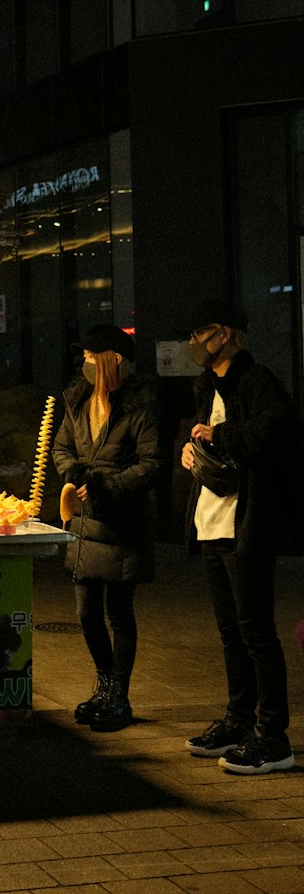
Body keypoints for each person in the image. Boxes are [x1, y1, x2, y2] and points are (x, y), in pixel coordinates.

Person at [180, 298, 299, 774]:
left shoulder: (257, 381)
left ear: (224, 333)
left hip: (247, 524)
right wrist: (189, 451)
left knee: (257, 633)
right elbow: (202, 436)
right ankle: (238, 720)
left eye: (199, 332)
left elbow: (277, 433)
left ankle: (274, 738)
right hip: (212, 522)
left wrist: (217, 436)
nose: (192, 341)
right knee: (231, 633)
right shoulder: (206, 384)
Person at [52, 325, 164, 731]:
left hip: (122, 525)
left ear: (112, 360)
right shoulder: (78, 400)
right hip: (83, 525)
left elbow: (151, 464)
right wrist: (76, 473)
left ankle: (119, 694)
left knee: (119, 612)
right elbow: (61, 447)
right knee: (85, 614)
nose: (83, 363)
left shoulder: (140, 405)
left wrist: (106, 485)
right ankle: (104, 682)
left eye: (90, 357)